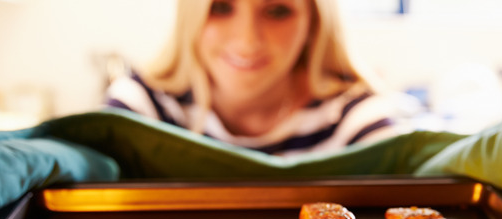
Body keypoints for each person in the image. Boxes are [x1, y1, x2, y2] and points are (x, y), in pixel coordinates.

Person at [106, 0, 412, 156]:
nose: (247, 41)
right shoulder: (141, 106)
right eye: (222, 7)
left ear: (313, 22)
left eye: (277, 11)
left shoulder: (354, 116)